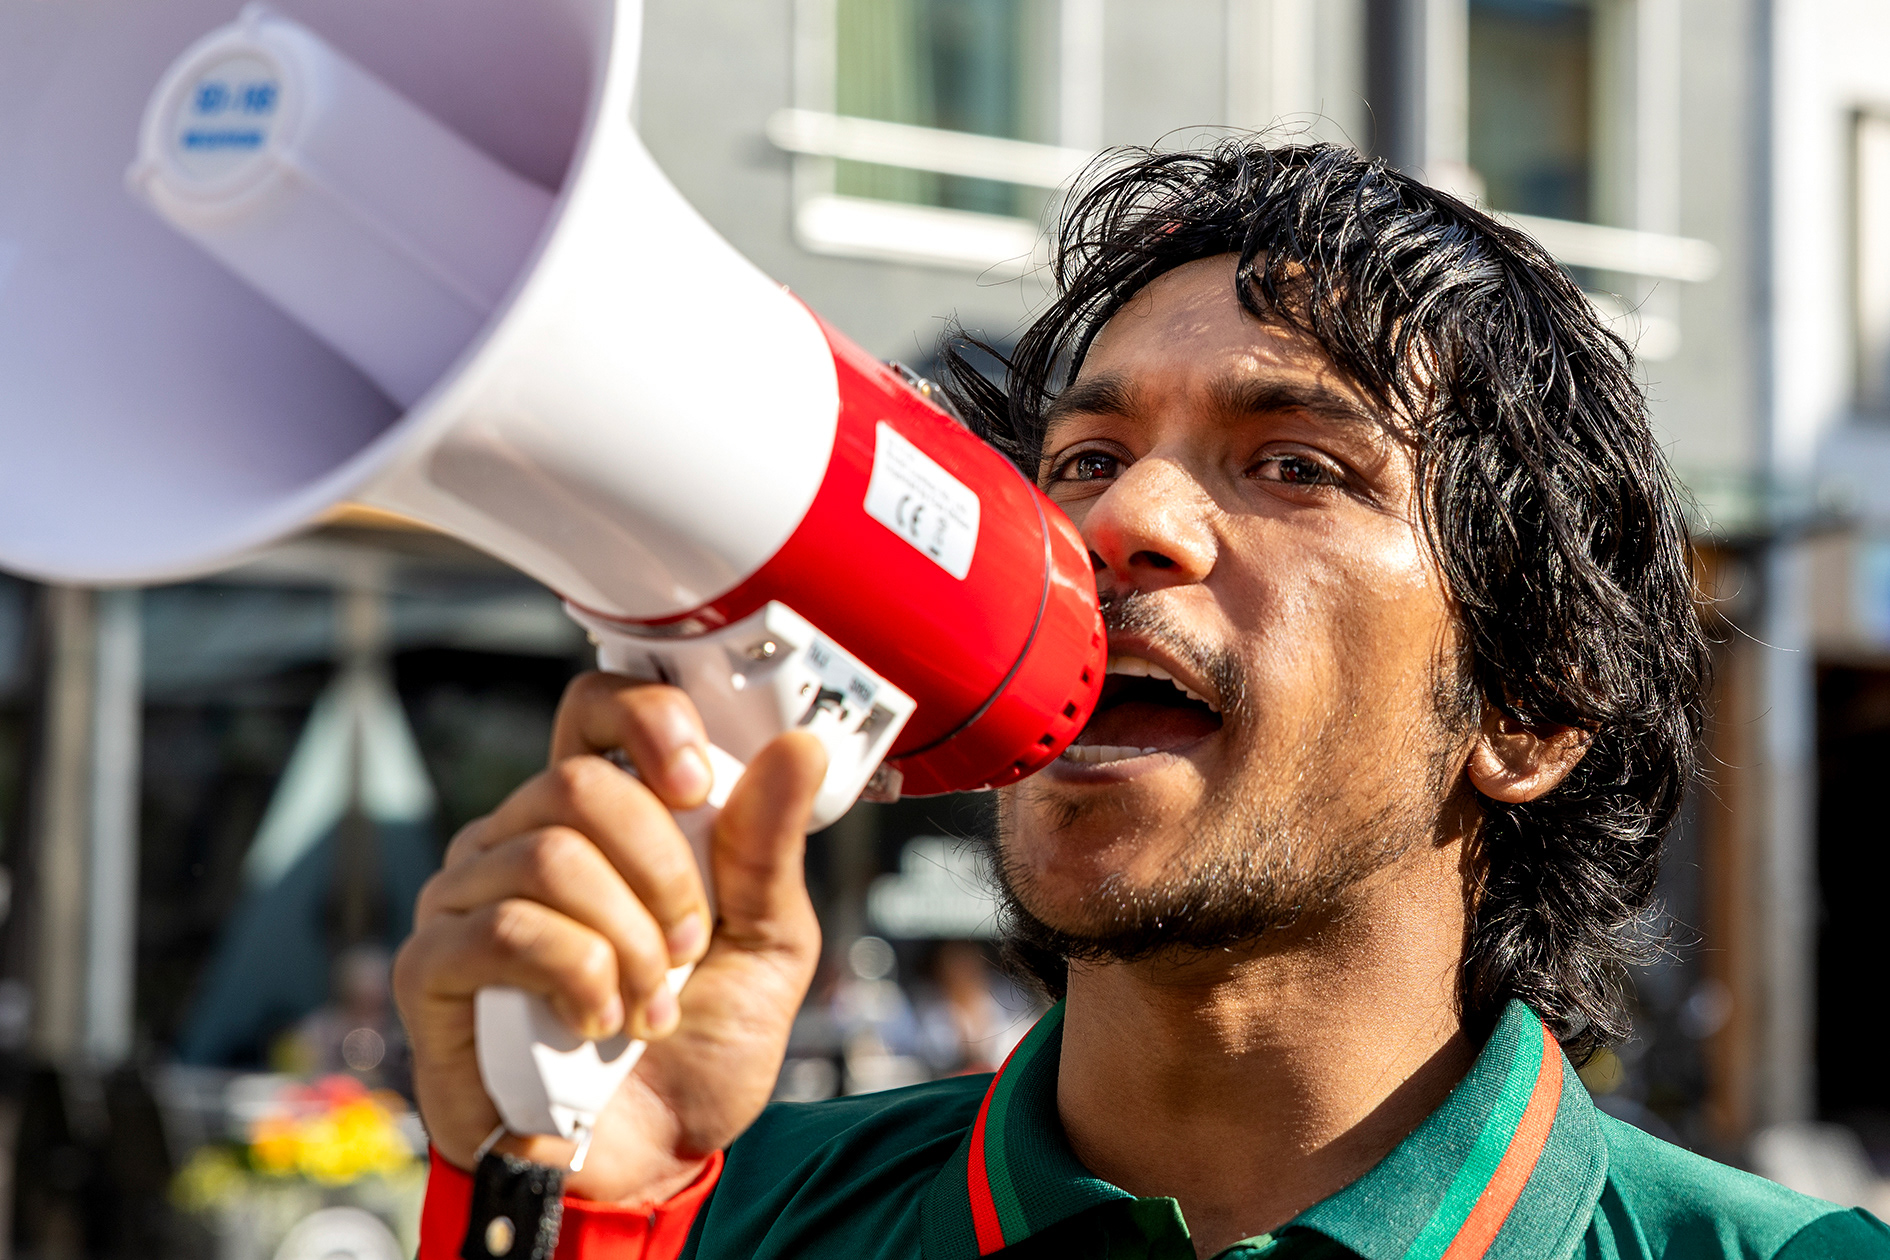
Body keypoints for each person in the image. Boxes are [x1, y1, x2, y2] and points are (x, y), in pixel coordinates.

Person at [395, 142, 1890, 1259]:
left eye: (1296, 464)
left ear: (1529, 709)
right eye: (1086, 460)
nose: (1120, 525)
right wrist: (571, 1204)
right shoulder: (710, 1212)